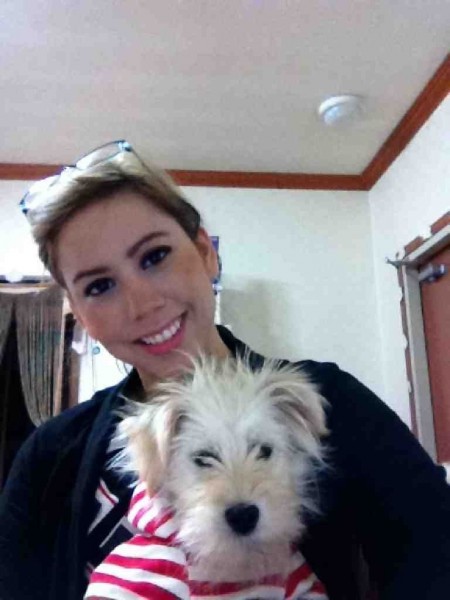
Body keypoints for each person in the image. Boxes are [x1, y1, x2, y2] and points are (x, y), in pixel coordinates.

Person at [0, 140, 449, 600]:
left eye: (154, 257)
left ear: (205, 253)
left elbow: (437, 551)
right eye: (99, 286)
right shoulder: (47, 458)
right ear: (78, 311)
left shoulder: (330, 400)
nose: (142, 304)